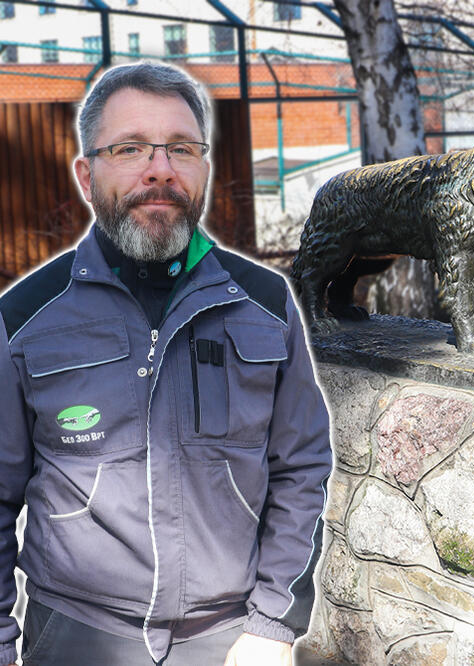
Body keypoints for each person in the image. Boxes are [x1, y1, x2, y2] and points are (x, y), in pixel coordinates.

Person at [0, 62, 332, 665]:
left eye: (181, 148)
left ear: (203, 169)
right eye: (129, 148)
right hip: (75, 634)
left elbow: (302, 469)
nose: (160, 168)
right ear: (86, 173)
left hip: (231, 640)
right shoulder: (25, 317)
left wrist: (273, 624)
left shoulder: (264, 304)